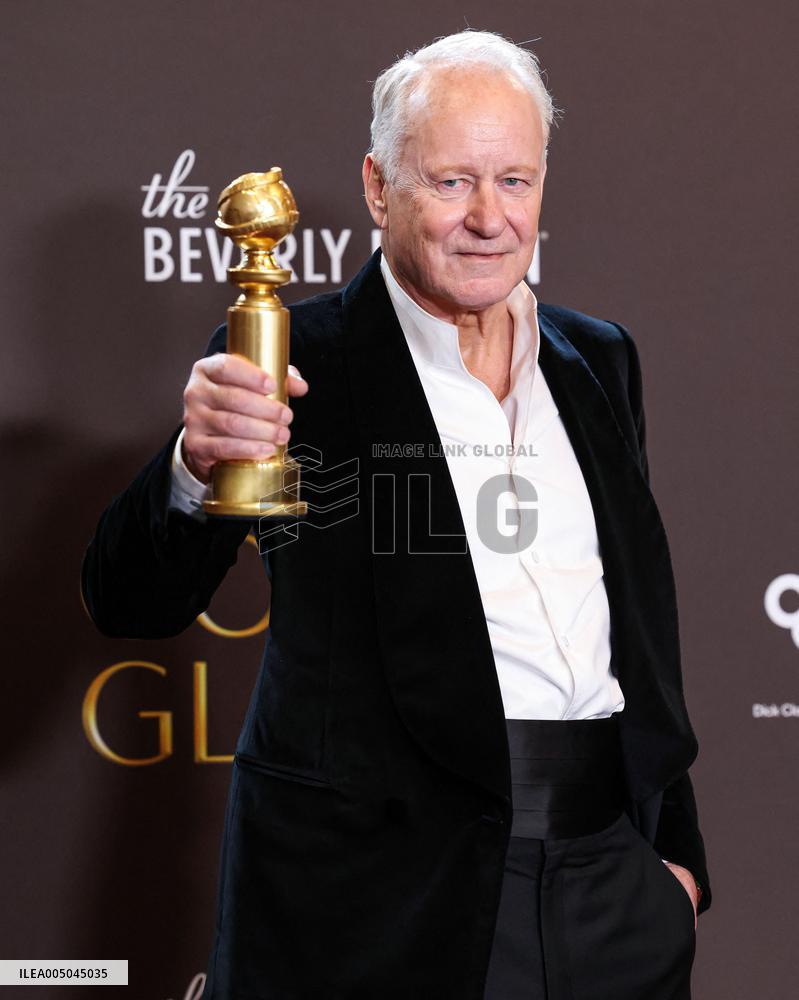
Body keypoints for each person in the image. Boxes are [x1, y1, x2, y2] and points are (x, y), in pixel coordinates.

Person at [82, 29, 711, 1000]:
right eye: (453, 182)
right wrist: (193, 462)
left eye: (515, 180)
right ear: (379, 189)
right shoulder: (299, 363)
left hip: (606, 890)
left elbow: (629, 628)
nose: (489, 218)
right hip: (379, 904)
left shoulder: (600, 361)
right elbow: (129, 596)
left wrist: (669, 859)